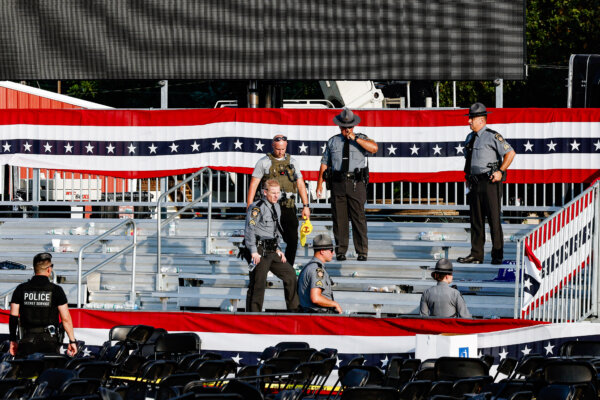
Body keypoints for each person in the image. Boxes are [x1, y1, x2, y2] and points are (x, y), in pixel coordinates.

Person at [316, 108, 378, 262]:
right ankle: (341, 250)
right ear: (339, 127)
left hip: (356, 183)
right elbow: (324, 164)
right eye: (344, 127)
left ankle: (362, 251)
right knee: (339, 219)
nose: (346, 130)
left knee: (358, 218)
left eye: (349, 127)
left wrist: (355, 139)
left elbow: (374, 148)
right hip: (337, 183)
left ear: (354, 127)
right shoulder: (333, 141)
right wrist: (319, 185)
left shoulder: (362, 138)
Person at [458, 103, 516, 265]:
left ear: (482, 120)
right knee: (476, 219)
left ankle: (497, 255)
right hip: (474, 182)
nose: (469, 121)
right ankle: (476, 254)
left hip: (490, 181)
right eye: (469, 118)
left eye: (472, 118)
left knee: (493, 219)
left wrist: (500, 171)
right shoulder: (470, 138)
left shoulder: (492, 136)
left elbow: (510, 153)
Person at [247, 133, 310, 267]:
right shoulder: (264, 162)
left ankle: (288, 267)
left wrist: (306, 205)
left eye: (283, 149)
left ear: (286, 146)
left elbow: (300, 184)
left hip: (288, 206)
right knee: (269, 238)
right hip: (268, 208)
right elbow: (254, 184)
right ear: (272, 146)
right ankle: (268, 266)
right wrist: (249, 205)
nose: (280, 152)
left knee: (292, 240)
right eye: (277, 149)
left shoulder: (293, 162)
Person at [244, 179, 300, 312]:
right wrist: (253, 251)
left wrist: (278, 249)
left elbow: (276, 230)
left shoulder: (276, 206)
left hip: (271, 249)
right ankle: (253, 315)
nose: (276, 195)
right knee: (258, 283)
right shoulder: (256, 208)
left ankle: (294, 310)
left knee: (290, 274)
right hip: (259, 249)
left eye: (278, 192)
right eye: (273, 193)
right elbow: (249, 230)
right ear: (265, 192)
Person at [9, 252, 77, 356]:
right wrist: (72, 341)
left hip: (27, 340)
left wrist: (12, 340)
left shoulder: (20, 289)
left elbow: (13, 317)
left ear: (35, 269)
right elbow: (66, 318)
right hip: (49, 342)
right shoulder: (56, 290)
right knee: (48, 371)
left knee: (26, 371)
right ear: (49, 269)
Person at [297, 234, 342, 314]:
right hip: (318, 316)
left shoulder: (309, 267)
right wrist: (335, 304)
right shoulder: (317, 270)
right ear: (322, 251)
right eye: (331, 250)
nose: (333, 253)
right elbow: (316, 298)